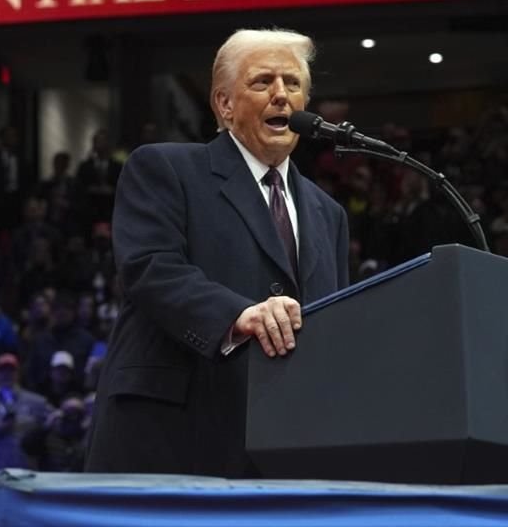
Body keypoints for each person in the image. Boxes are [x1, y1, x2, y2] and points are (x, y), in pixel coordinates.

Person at [85, 29, 349, 477]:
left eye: (293, 84)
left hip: (283, 451)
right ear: (224, 105)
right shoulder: (165, 167)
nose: (282, 96)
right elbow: (150, 268)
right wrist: (237, 315)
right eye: (263, 82)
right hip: (173, 439)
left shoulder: (329, 212)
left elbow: (335, 321)